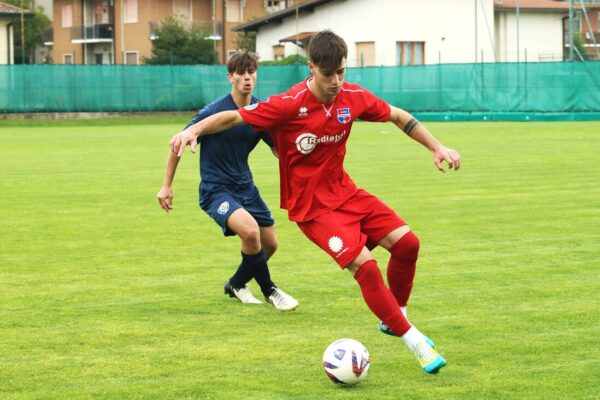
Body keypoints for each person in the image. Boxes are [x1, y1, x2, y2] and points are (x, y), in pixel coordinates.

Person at [168, 31, 461, 374]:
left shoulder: (352, 96)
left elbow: (397, 116)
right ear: (311, 68)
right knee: (365, 267)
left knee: (408, 244)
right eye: (328, 74)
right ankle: (415, 343)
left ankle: (396, 317)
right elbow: (234, 117)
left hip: (347, 193)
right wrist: (194, 131)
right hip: (313, 209)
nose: (336, 81)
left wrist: (436, 147)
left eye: (341, 72)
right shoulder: (288, 104)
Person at [157, 50, 299, 312]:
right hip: (216, 190)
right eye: (241, 73)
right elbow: (178, 142)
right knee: (250, 232)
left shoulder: (261, 112)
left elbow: (279, 150)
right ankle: (271, 290)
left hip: (246, 187)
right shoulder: (214, 113)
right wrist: (167, 185)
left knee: (270, 244)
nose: (247, 78)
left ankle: (236, 284)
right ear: (230, 77)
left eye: (251, 72)